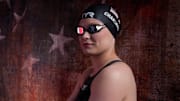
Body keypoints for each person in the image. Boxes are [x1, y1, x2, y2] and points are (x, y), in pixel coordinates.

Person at [67, 4, 137, 101]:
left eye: (93, 28)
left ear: (112, 32)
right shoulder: (89, 73)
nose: (84, 36)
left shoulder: (114, 74)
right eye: (81, 30)